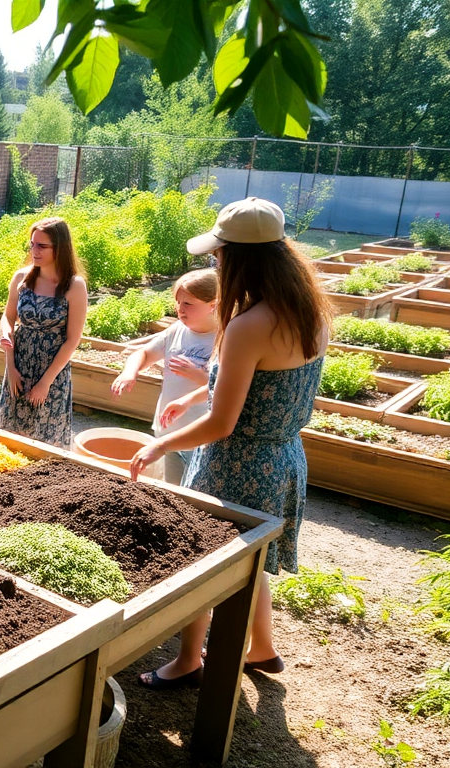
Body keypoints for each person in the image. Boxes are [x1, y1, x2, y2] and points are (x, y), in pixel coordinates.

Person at [129, 198, 331, 689]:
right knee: (251, 558)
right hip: (282, 457)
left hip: (235, 463)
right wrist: (199, 391)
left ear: (242, 260)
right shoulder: (312, 312)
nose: (216, 264)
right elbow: (256, 388)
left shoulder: (246, 326)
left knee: (204, 562)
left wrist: (160, 445)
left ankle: (188, 661)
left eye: (219, 256)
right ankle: (261, 648)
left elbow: (221, 422)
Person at [111, 269, 218, 484]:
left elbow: (229, 387)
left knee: (196, 498)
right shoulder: (177, 330)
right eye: (178, 302)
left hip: (201, 439)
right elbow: (143, 353)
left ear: (213, 305)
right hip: (167, 433)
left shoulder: (224, 338)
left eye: (188, 304)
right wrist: (130, 373)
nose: (180, 309)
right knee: (169, 492)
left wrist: (197, 375)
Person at [0, 217, 88, 447]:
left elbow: (72, 340)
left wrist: (45, 382)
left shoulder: (74, 285)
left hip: (52, 372)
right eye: (32, 244)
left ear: (60, 247)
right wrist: (11, 366)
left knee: (46, 442)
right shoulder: (21, 278)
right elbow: (8, 318)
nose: (34, 251)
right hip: (19, 365)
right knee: (11, 438)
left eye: (42, 246)